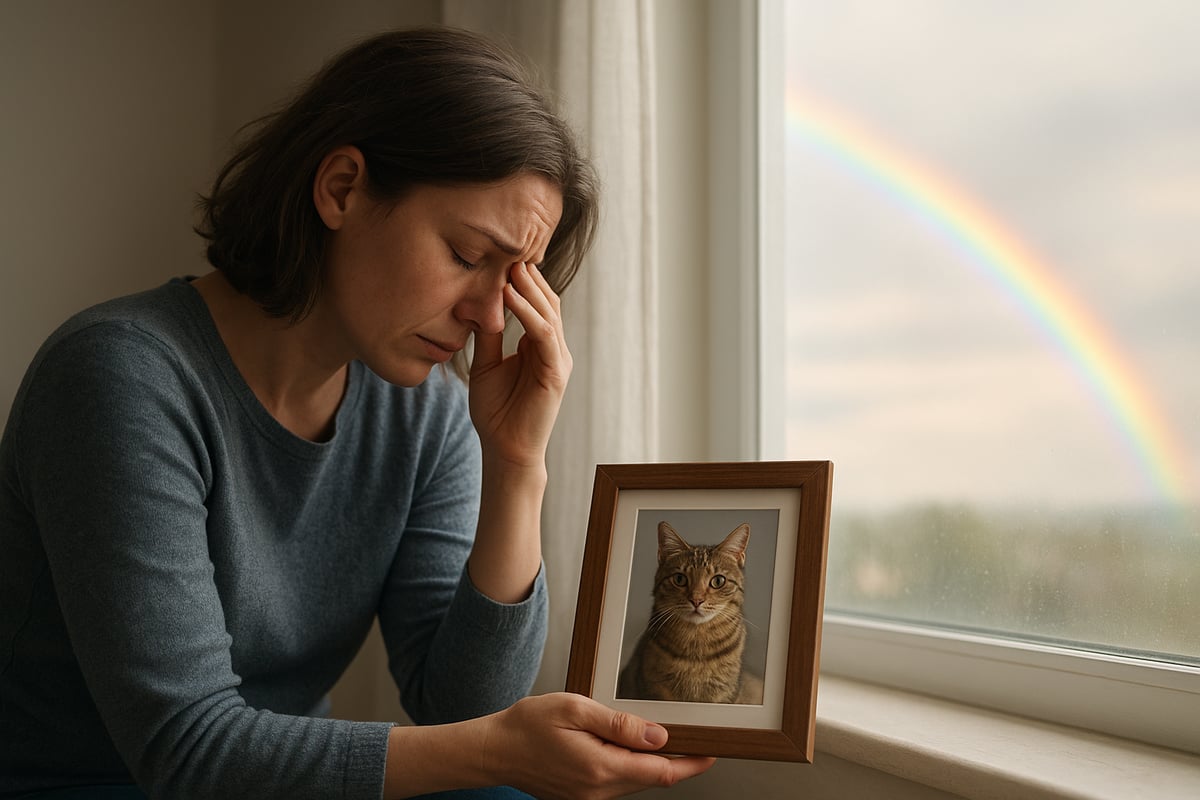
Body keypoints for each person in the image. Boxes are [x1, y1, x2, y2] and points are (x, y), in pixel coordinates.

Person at [0, 26, 714, 799]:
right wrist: (501, 755)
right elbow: (188, 750)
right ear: (341, 188)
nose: (488, 318)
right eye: (468, 256)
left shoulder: (424, 414)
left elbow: (465, 710)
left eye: (513, 281)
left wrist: (516, 467)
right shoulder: (120, 375)